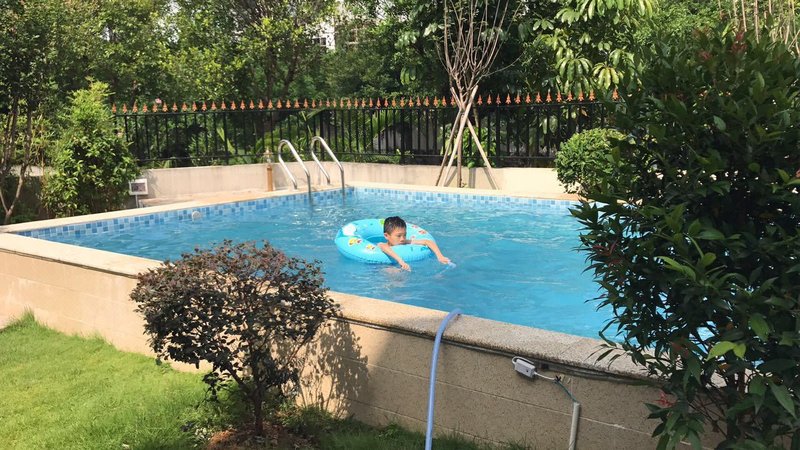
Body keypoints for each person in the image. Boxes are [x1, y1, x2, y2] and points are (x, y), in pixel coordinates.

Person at [378, 216, 450, 270]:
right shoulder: (382, 245)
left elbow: (427, 241)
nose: (402, 239)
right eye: (398, 236)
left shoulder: (404, 242)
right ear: (386, 236)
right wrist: (400, 261)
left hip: (404, 265)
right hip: (385, 265)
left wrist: (440, 256)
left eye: (404, 235)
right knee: (391, 271)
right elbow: (383, 247)